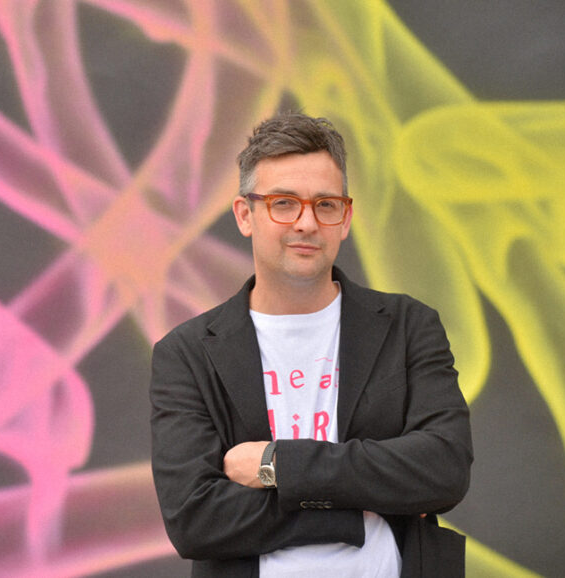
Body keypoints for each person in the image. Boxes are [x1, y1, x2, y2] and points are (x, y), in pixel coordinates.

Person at [149, 112, 473, 577]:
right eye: (284, 203)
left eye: (326, 205)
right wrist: (353, 513)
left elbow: (443, 468)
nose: (306, 222)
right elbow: (195, 520)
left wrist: (276, 464)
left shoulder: (408, 326)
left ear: (346, 218)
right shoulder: (187, 353)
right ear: (245, 215)